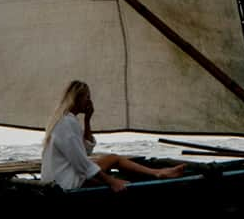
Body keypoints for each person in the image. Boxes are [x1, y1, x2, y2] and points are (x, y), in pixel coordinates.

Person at [40, 80, 185, 192]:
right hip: (63, 183)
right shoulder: (67, 123)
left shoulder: (65, 120)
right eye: (87, 97)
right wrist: (111, 181)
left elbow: (84, 152)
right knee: (114, 160)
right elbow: (81, 163)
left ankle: (158, 172)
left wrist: (87, 120)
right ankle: (157, 173)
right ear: (77, 99)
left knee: (110, 162)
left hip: (60, 178)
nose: (89, 101)